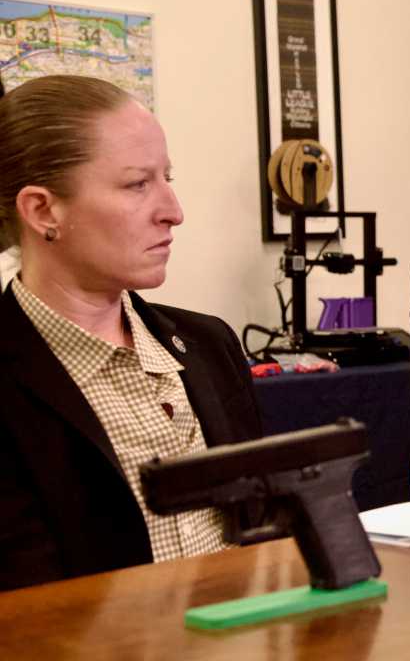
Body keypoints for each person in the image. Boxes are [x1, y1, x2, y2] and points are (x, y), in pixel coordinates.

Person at [0, 75, 262, 591]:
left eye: (167, 177)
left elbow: (264, 535)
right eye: (137, 184)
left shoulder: (210, 347)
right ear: (43, 210)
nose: (174, 211)